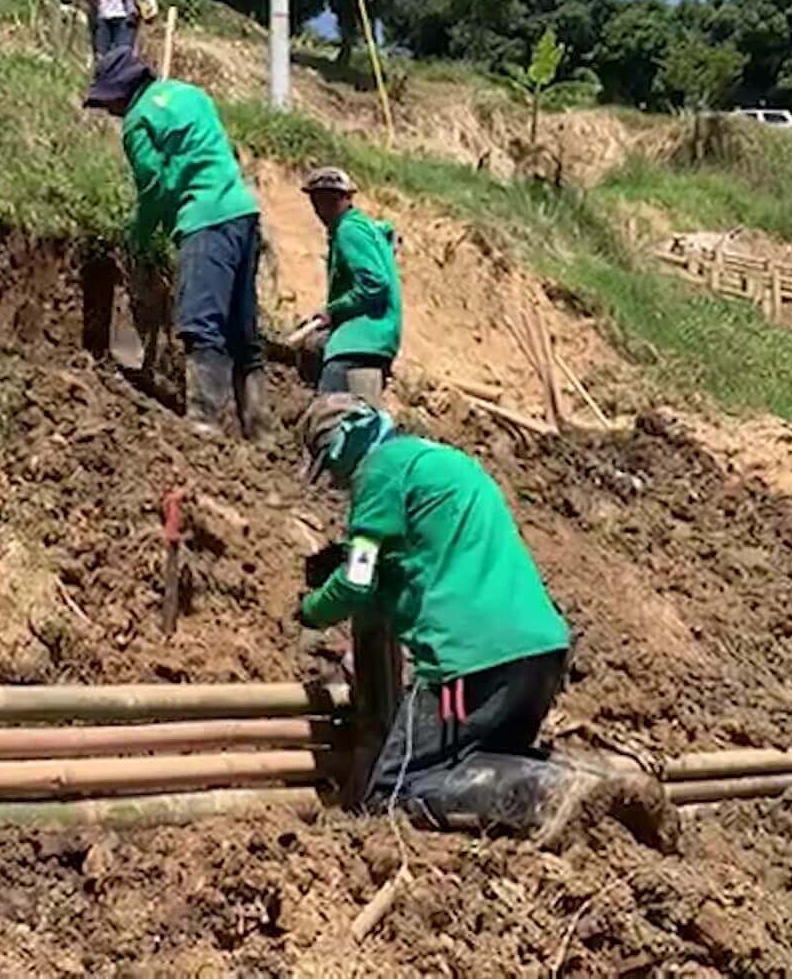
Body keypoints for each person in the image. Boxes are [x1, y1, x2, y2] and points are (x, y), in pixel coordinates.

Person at [292, 393, 678, 849]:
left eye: (332, 471)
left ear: (340, 445)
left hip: (470, 663)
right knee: (486, 762)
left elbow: (357, 582)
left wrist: (311, 610)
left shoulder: (379, 472)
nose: (339, 485)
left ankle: (546, 789)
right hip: (540, 652)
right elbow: (413, 566)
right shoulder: (442, 463)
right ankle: (596, 783)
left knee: (391, 796)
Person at [83, 47, 267, 438]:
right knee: (242, 327)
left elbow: (154, 185)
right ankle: (260, 429)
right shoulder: (189, 94)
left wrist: (141, 237)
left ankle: (205, 422)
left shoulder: (138, 121)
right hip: (244, 213)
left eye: (108, 102)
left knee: (202, 321)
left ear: (120, 91)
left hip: (204, 218)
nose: (109, 111)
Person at [299, 167, 401, 400]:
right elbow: (386, 231)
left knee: (331, 417)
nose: (320, 208)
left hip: (356, 344)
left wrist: (332, 310)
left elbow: (374, 284)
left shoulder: (348, 230)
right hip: (375, 341)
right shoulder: (364, 227)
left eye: (323, 200)